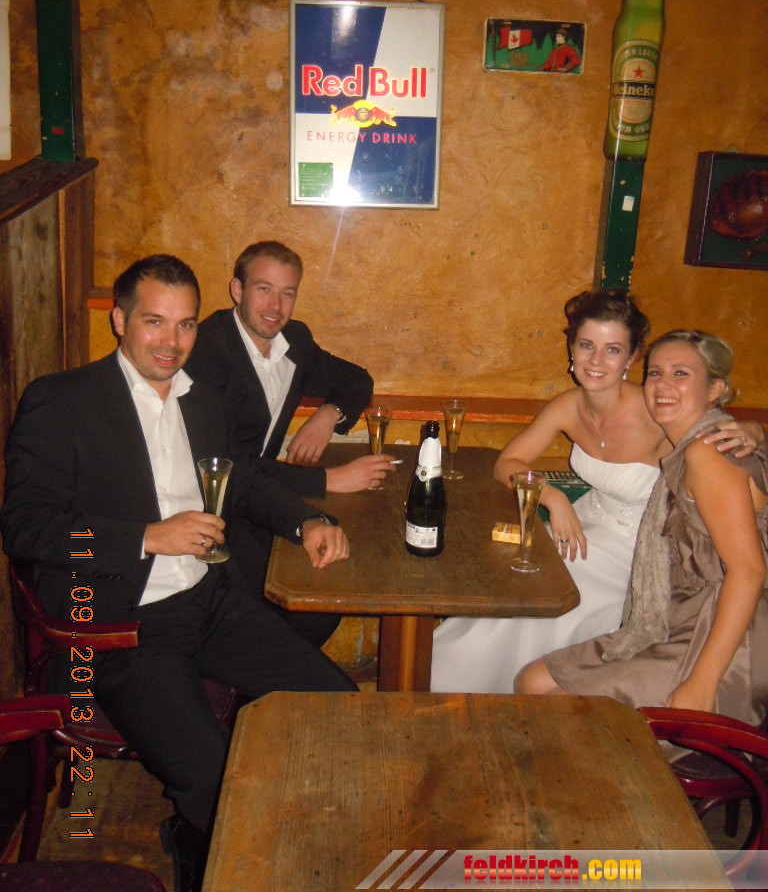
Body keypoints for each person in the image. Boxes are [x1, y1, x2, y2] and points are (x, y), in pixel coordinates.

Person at [1, 255, 356, 892]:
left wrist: (304, 522)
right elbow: (27, 528)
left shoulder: (202, 398)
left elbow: (240, 480)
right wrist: (147, 537)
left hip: (210, 602)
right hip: (122, 630)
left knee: (337, 709)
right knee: (215, 778)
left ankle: (220, 839)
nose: (172, 342)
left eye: (186, 324)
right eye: (155, 322)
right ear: (120, 320)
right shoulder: (62, 402)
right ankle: (207, 855)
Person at [430, 290, 763, 693]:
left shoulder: (657, 408)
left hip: (637, 550)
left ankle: (502, 696)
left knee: (546, 604)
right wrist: (554, 499)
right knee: (510, 583)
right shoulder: (570, 406)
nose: (596, 361)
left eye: (612, 350)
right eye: (587, 345)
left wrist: (754, 430)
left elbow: (712, 432)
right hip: (584, 524)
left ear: (632, 358)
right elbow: (507, 464)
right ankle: (449, 689)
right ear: (571, 348)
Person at [518, 331, 768, 727]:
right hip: (679, 615)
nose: (663, 385)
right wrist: (757, 429)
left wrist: (703, 683)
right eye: (655, 373)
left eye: (681, 373)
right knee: (531, 681)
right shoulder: (695, 438)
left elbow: (749, 572)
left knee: (557, 709)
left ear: (715, 390)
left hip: (729, 636)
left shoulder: (706, 453)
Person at [186, 240, 393, 641]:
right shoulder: (207, 351)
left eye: (287, 293)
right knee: (305, 609)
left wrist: (328, 415)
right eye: (263, 289)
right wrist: (330, 479)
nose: (275, 306)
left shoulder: (293, 342)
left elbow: (356, 380)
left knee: (328, 588)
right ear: (237, 290)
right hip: (210, 510)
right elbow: (231, 466)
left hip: (258, 498)